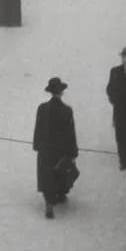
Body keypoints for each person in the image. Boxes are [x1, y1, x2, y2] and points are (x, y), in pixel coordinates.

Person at [33, 77, 79, 219]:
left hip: (46, 149)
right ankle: (60, 195)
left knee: (47, 176)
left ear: (50, 92)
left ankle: (49, 202)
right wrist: (73, 152)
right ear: (61, 92)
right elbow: (71, 133)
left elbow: (38, 129)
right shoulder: (67, 110)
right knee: (60, 173)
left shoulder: (42, 108)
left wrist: (37, 145)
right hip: (61, 150)